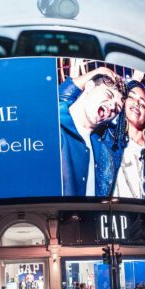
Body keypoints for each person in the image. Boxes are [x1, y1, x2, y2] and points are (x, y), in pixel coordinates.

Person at [57, 65, 127, 196]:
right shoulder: (55, 125)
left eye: (117, 108)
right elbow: (49, 102)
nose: (112, 106)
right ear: (89, 87)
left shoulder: (103, 147)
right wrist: (98, 71)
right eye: (108, 94)